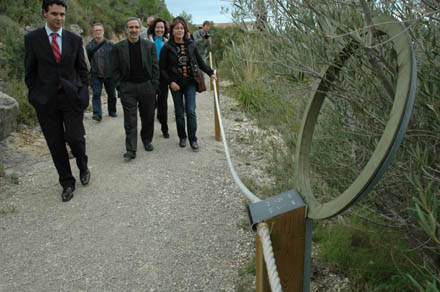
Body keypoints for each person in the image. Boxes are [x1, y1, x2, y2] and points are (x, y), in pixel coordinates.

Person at [24, 0, 90, 202]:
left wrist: (84, 92)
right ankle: (67, 182)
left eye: (62, 14)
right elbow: (30, 71)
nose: (59, 18)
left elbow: (82, 69)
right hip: (46, 101)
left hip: (71, 98)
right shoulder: (33, 39)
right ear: (45, 13)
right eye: (54, 14)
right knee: (55, 144)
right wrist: (35, 96)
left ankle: (83, 165)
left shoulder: (74, 39)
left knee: (76, 138)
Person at [159, 17, 216, 151]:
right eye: (176, 28)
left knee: (190, 111)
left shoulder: (191, 44)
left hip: (190, 82)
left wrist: (210, 72)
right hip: (175, 84)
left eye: (181, 28)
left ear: (185, 30)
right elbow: (162, 69)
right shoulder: (167, 47)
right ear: (172, 31)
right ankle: (182, 137)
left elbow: (200, 62)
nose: (179, 30)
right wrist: (170, 82)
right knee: (179, 112)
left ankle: (193, 139)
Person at [112, 17, 159, 160]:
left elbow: (155, 67)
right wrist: (120, 86)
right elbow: (114, 69)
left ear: (140, 29)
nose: (133, 30)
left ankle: (146, 140)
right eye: (130, 27)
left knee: (148, 117)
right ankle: (131, 149)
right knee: (130, 120)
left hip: (147, 86)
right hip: (128, 88)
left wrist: (154, 85)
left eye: (136, 27)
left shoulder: (149, 46)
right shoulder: (118, 47)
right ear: (126, 29)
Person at [86, 23, 117, 121]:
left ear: (103, 32)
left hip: (109, 74)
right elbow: (86, 61)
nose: (98, 32)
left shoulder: (111, 44)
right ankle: (97, 114)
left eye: (100, 30)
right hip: (95, 74)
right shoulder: (89, 46)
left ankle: (112, 111)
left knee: (111, 94)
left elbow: (117, 59)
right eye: (96, 30)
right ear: (93, 32)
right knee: (96, 94)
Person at [147, 17, 169, 138]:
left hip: (163, 76)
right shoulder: (148, 40)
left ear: (164, 29)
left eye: (162, 27)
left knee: (163, 103)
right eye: (157, 27)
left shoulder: (167, 41)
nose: (160, 29)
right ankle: (148, 131)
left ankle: (164, 128)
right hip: (150, 76)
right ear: (153, 28)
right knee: (150, 104)